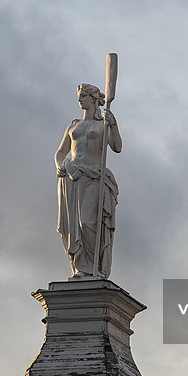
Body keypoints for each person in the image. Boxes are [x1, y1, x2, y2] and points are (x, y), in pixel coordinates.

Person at [55, 83, 122, 279]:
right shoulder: (73, 126)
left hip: (94, 176)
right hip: (71, 177)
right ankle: (80, 269)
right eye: (79, 96)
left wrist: (114, 125)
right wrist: (60, 165)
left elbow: (117, 147)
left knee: (87, 222)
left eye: (83, 95)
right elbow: (60, 152)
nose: (80, 99)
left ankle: (95, 268)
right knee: (67, 228)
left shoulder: (103, 125)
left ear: (94, 99)